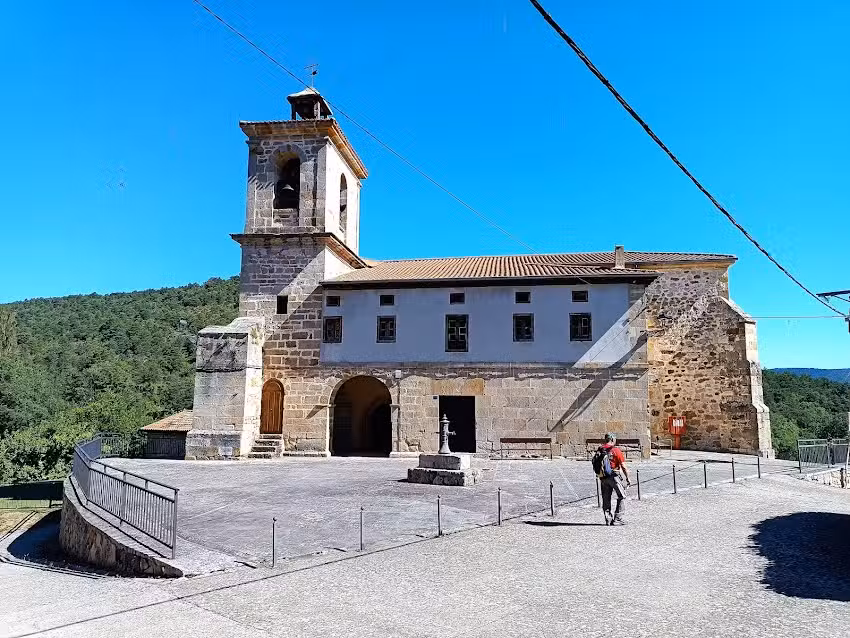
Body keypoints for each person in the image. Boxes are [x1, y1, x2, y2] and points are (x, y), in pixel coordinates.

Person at [598, 432, 631, 526]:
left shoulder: (600, 449)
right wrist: (628, 478)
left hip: (603, 476)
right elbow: (623, 466)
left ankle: (608, 519)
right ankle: (618, 518)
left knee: (606, 498)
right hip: (614, 476)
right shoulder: (615, 450)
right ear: (612, 439)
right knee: (622, 496)